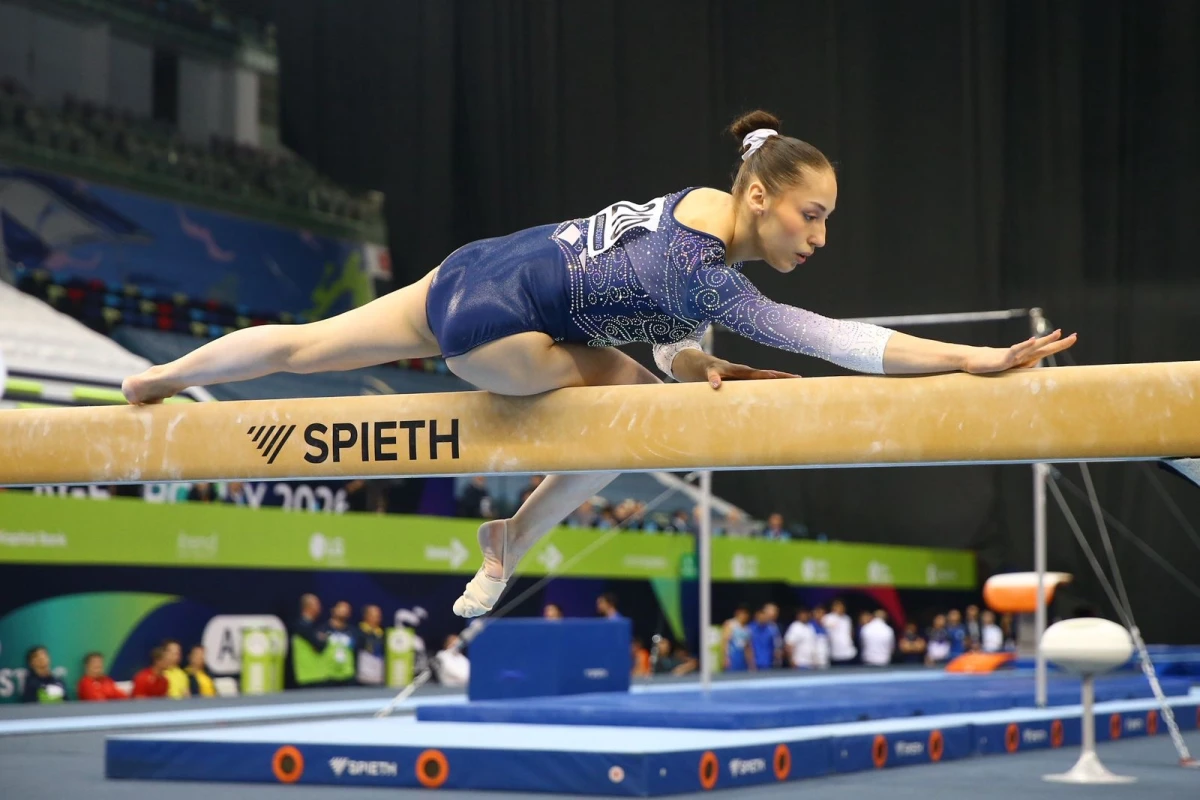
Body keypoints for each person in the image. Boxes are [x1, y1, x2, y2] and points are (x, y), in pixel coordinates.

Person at [121, 109, 1077, 619]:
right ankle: (511, 543)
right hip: (496, 337)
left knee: (303, 345)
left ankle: (156, 379)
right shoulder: (714, 276)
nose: (819, 235)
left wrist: (695, 358)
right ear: (760, 192)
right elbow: (837, 341)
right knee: (631, 415)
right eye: (811, 214)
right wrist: (977, 360)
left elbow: (642, 295)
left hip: (475, 270)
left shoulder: (700, 207)